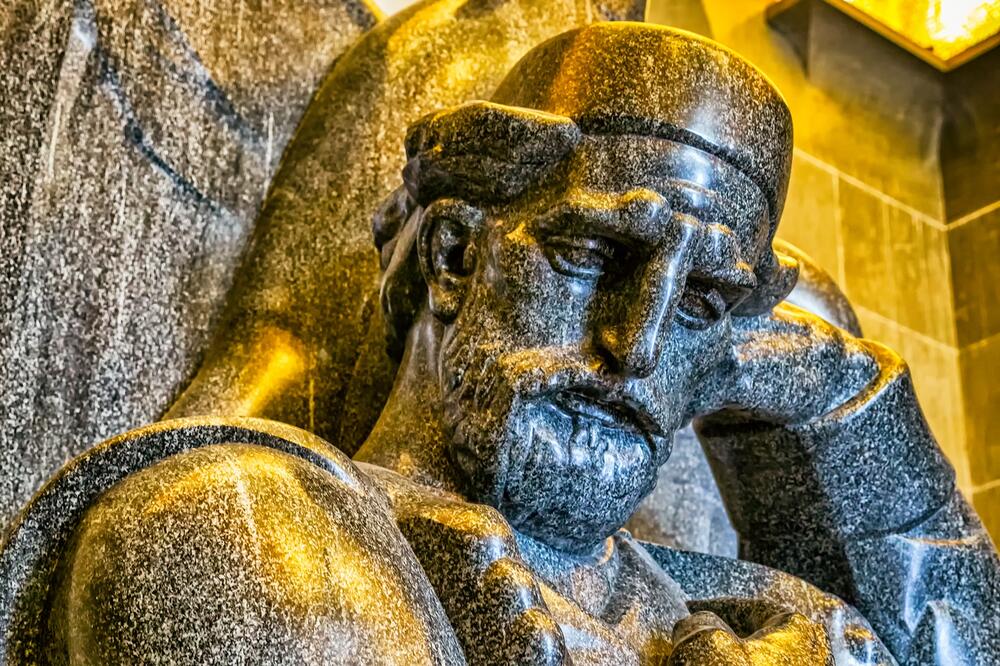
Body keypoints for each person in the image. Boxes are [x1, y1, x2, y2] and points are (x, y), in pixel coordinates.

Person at [2, 22, 997, 665]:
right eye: (593, 254)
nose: (636, 347)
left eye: (699, 301)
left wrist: (844, 398)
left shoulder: (778, 627)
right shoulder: (231, 526)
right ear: (453, 256)